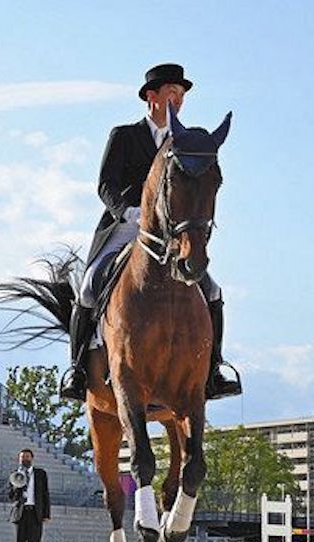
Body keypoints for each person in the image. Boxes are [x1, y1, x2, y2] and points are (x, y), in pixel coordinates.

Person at [59, 62, 242, 402]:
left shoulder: (184, 143)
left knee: (212, 290)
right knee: (88, 287)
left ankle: (214, 369)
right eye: (171, 92)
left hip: (171, 235)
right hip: (126, 226)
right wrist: (129, 212)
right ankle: (78, 370)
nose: (177, 99)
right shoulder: (125, 136)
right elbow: (105, 185)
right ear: (151, 97)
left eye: (181, 94)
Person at [7, 449, 50, 542]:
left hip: (35, 514)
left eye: (27, 456)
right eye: (22, 457)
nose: (24, 459)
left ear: (32, 458)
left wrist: (46, 514)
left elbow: (45, 495)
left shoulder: (40, 474)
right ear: (19, 460)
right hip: (20, 514)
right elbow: (11, 497)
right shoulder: (15, 475)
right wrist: (18, 486)